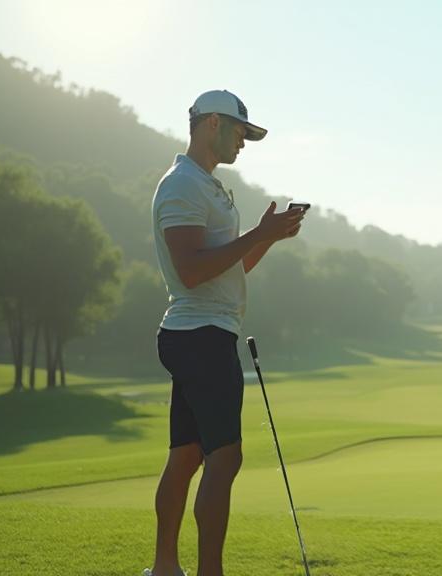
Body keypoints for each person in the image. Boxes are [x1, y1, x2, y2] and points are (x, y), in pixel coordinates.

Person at [145, 90, 305, 576]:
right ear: (211, 123)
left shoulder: (208, 186)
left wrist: (266, 237)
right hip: (200, 335)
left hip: (203, 332)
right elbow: (191, 271)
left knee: (188, 455)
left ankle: (165, 568)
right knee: (225, 457)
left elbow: (228, 268)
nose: (244, 142)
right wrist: (257, 233)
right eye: (240, 132)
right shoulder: (183, 186)